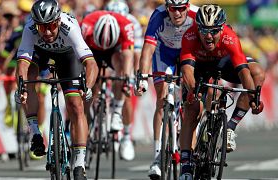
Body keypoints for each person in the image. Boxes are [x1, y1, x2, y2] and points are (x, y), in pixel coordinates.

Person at [179, 4, 265, 179]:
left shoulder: (230, 37)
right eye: (204, 31)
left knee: (257, 73)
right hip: (200, 67)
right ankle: (185, 165)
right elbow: (187, 71)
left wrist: (253, 98)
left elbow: (243, 71)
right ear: (198, 28)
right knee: (192, 107)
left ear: (222, 28)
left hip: (223, 64)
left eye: (214, 31)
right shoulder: (189, 35)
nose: (209, 36)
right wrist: (193, 92)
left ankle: (230, 128)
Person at [15, 0, 98, 179]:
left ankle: (79, 162)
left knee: (76, 104)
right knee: (28, 81)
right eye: (42, 27)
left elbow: (90, 63)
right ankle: (35, 133)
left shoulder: (70, 27)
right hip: (40, 53)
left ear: (58, 21)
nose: (47, 32)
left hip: (67, 56)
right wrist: (21, 87)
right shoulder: (30, 28)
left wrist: (88, 87)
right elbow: (22, 62)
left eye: (51, 26)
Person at [135, 0, 198, 179]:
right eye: (173, 9)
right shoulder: (158, 16)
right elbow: (147, 50)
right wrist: (142, 77)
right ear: (167, 8)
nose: (176, 13)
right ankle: (157, 158)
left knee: (192, 103)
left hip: (189, 54)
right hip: (164, 55)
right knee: (162, 99)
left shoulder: (196, 15)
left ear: (187, 7)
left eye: (180, 9)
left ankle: (190, 156)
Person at [80, 10, 134, 138]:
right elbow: (78, 53)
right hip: (92, 49)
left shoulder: (126, 25)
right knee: (91, 80)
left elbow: (128, 55)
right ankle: (88, 115)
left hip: (113, 51)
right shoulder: (86, 23)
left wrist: (126, 79)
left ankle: (116, 111)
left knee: (121, 68)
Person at [104, 0, 142, 161]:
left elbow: (136, 55)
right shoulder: (103, 22)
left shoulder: (133, 24)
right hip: (108, 48)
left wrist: (134, 76)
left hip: (126, 50)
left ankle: (126, 135)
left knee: (125, 87)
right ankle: (96, 126)